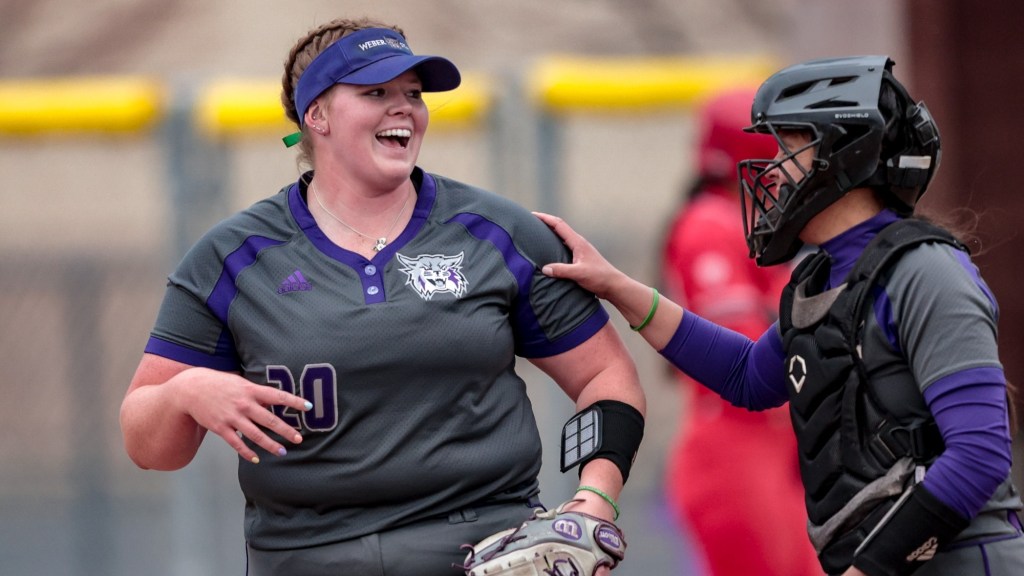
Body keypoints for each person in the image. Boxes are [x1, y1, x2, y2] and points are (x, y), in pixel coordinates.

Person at [119, 17, 645, 576]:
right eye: (376, 92)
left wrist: (595, 498)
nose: (405, 109)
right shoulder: (233, 256)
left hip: (483, 547)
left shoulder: (494, 231)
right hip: (307, 553)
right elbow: (149, 446)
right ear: (315, 116)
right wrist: (186, 391)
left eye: (413, 95)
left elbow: (605, 377)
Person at [536, 55, 1024, 575]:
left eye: (788, 149)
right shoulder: (821, 277)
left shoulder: (926, 271)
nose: (770, 171)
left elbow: (981, 455)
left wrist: (866, 570)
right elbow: (746, 376)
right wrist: (617, 286)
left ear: (844, 159)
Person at [659, 87, 822, 576]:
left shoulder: (748, 223)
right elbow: (745, 360)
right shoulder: (711, 223)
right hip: (735, 454)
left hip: (771, 449)